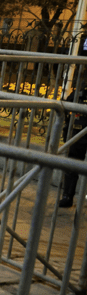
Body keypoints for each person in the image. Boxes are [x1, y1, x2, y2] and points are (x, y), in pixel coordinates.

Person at [59, 78, 87, 208]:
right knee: (72, 165)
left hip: (79, 133)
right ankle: (67, 196)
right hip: (78, 134)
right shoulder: (79, 93)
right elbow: (63, 107)